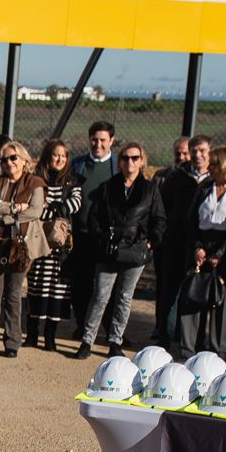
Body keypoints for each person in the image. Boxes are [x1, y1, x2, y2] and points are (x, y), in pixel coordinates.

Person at [73, 142, 166, 359]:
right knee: (100, 296)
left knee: (124, 298)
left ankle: (115, 341)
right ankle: (87, 341)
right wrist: (101, 238)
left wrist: (152, 240)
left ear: (142, 161)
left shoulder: (150, 189)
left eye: (135, 158)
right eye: (125, 158)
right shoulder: (108, 187)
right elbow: (94, 217)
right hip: (109, 251)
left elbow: (159, 219)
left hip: (135, 251)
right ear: (120, 161)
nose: (129, 162)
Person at [176, 146, 226, 356]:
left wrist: (220, 254)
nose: (210, 167)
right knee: (193, 298)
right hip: (199, 250)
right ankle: (189, 350)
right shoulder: (204, 187)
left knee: (221, 302)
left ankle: (217, 353)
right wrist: (198, 247)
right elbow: (191, 219)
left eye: (215, 163)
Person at [0, 142, 46, 357]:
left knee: (14, 294)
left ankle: (13, 342)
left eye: (13, 158)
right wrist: (14, 209)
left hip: (20, 247)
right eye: (4, 159)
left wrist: (3, 212)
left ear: (24, 160)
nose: (9, 163)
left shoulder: (35, 183)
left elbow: (35, 211)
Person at [152, 134, 213, 347]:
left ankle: (194, 340)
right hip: (175, 244)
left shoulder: (215, 180)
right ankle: (164, 336)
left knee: (198, 294)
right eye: (194, 151)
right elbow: (163, 207)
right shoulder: (177, 177)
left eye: (202, 151)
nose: (197, 155)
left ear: (210, 153)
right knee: (169, 292)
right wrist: (164, 235)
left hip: (201, 248)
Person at [24, 139, 82, 350]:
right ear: (48, 156)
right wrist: (55, 209)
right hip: (39, 243)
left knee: (57, 290)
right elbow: (35, 208)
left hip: (61, 247)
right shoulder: (37, 179)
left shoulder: (72, 182)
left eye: (63, 156)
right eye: (56, 155)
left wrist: (55, 207)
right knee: (36, 286)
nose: (59, 159)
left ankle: (50, 336)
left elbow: (75, 204)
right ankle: (31, 334)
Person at [68, 121, 117, 335]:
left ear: (111, 141)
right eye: (94, 140)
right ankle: (82, 325)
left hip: (107, 237)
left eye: (103, 140)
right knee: (80, 284)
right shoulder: (78, 164)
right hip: (80, 235)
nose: (98, 144)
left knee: (108, 287)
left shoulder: (117, 166)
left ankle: (109, 329)